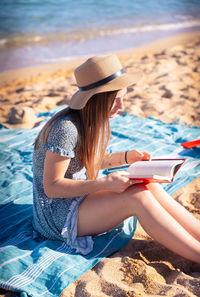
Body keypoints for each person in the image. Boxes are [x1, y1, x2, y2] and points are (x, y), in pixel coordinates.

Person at [32, 54, 200, 262]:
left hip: (78, 198)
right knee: (138, 198)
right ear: (96, 100)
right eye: (115, 100)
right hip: (57, 216)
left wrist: (127, 157)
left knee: (148, 186)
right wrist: (102, 183)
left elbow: (90, 159)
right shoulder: (66, 129)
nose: (121, 106)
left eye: (123, 97)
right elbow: (52, 187)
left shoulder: (92, 119)